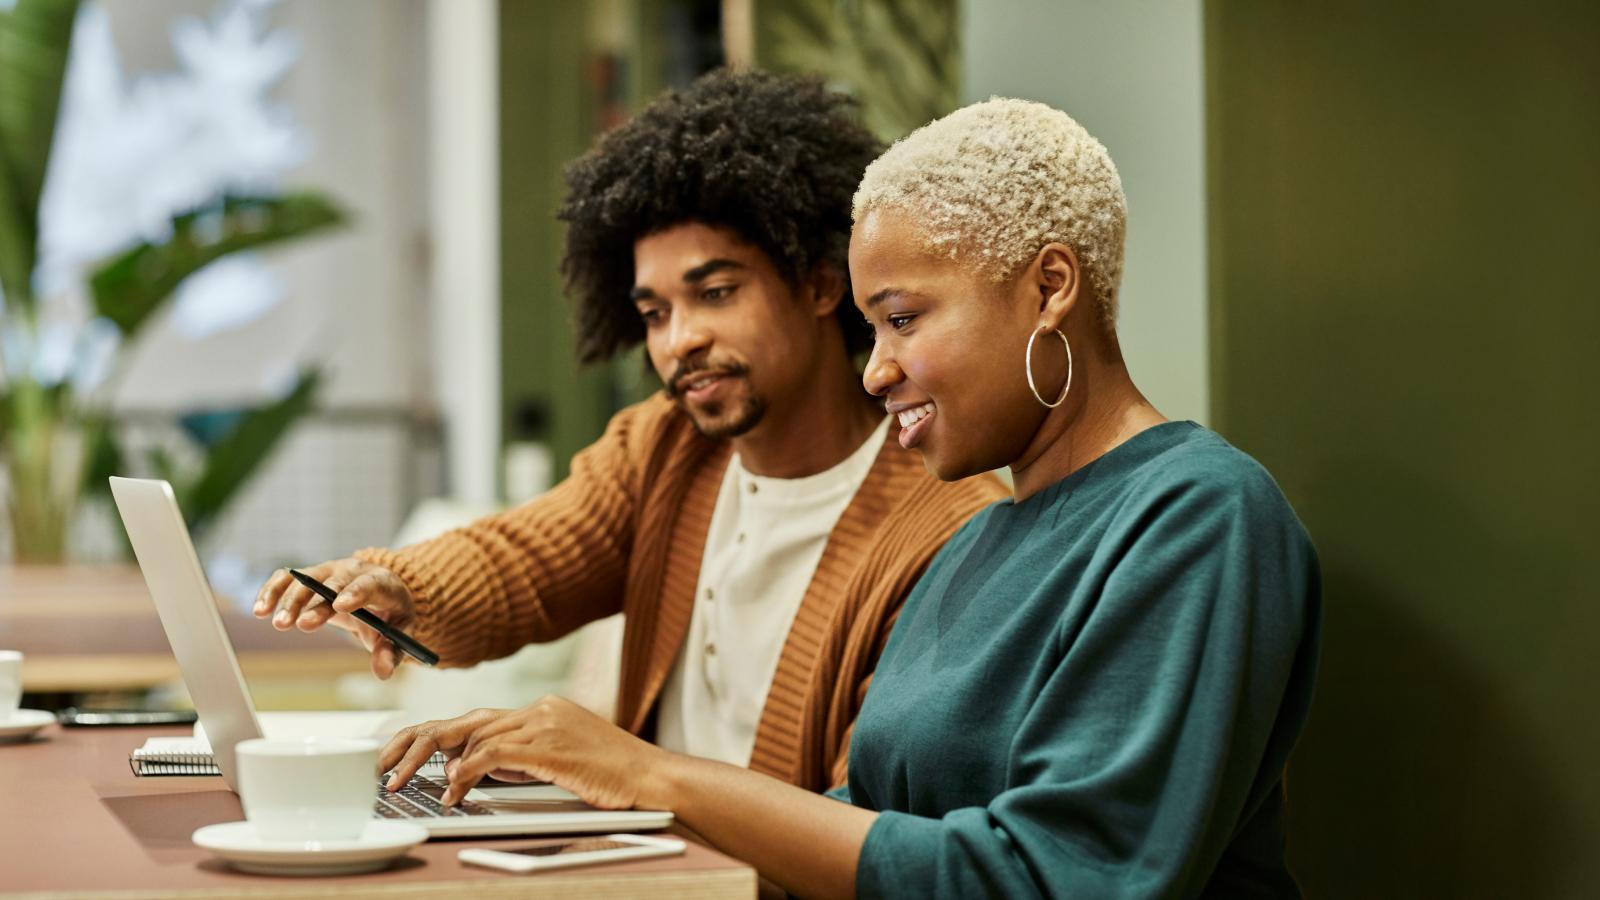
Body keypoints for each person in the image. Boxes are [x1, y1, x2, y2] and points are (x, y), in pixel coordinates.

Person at [388, 97, 1322, 899]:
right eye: (873, 326)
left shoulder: (1199, 517)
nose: (876, 370)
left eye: (904, 320)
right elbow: (852, 826)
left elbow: (1061, 877)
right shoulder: (981, 543)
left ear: (1050, 288)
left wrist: (652, 774)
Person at [252, 69, 1005, 793]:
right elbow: (523, 559)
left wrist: (613, 765)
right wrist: (401, 590)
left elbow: (862, 830)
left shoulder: (945, 527)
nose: (679, 341)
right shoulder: (667, 448)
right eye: (654, 313)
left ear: (817, 285)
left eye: (715, 293)